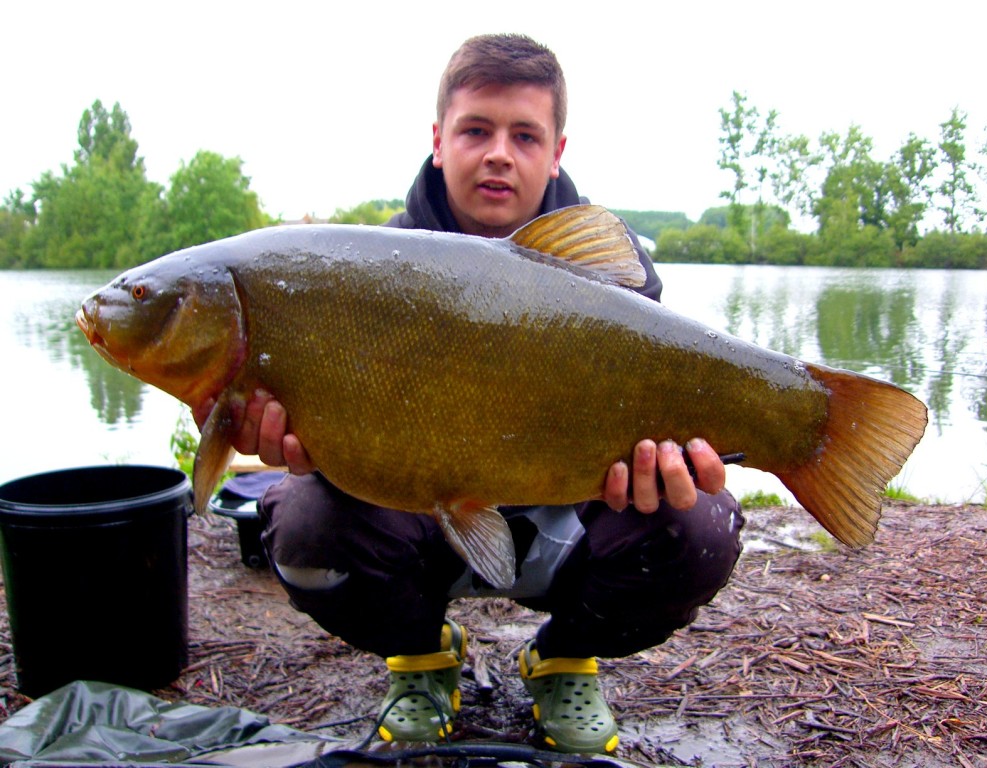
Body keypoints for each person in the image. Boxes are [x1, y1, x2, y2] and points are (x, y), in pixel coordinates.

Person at [210, 34, 744, 755]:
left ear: (557, 152)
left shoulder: (611, 277)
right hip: (425, 521)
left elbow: (673, 446)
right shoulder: (372, 269)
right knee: (304, 524)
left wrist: (675, 468)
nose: (499, 153)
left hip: (579, 515)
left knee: (700, 525)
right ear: (438, 142)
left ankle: (563, 657)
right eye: (476, 130)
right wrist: (308, 442)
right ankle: (422, 655)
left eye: (525, 135)